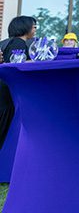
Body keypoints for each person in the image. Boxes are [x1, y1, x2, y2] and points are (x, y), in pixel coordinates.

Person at [0, 16, 36, 148]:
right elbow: (14, 65)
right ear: (24, 27)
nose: (35, 29)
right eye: (33, 26)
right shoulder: (18, 43)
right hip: (5, 99)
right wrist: (39, 61)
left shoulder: (5, 42)